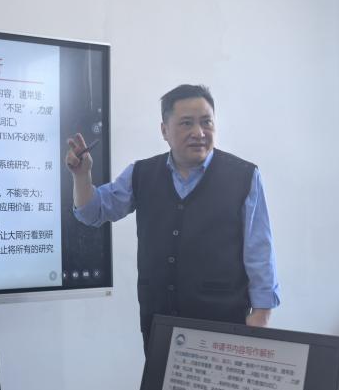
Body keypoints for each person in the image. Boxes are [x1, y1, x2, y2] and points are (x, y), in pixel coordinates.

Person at [66, 84, 279, 349]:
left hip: (223, 323)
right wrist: (81, 176)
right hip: (160, 322)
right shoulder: (141, 174)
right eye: (187, 123)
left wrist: (261, 315)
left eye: (206, 122)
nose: (199, 133)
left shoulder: (244, 176)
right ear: (164, 130)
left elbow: (259, 251)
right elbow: (92, 212)